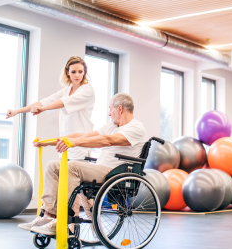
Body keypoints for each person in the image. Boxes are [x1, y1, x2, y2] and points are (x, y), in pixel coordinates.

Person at [18, 93, 146, 236]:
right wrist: (48, 141)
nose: (109, 114)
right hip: (101, 170)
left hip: (115, 173)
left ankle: (64, 219)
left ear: (120, 109)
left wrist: (75, 143)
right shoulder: (111, 126)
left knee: (72, 166)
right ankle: (48, 215)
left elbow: (107, 140)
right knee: (53, 165)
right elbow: (81, 136)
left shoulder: (136, 128)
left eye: (110, 109)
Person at [7, 56, 95, 161]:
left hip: (80, 146)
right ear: (67, 72)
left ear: (85, 72)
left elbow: (64, 102)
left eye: (80, 72)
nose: (77, 75)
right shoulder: (66, 90)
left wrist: (43, 109)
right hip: (64, 144)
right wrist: (17, 111)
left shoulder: (87, 90)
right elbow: (46, 101)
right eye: (73, 72)